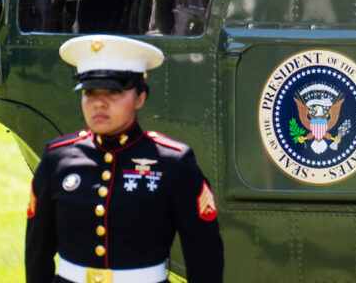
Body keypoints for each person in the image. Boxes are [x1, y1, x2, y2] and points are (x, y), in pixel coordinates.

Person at [27, 34, 222, 283]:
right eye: (89, 92)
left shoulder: (173, 163)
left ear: (141, 97)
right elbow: (37, 254)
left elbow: (205, 258)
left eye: (113, 92)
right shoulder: (57, 158)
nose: (99, 103)